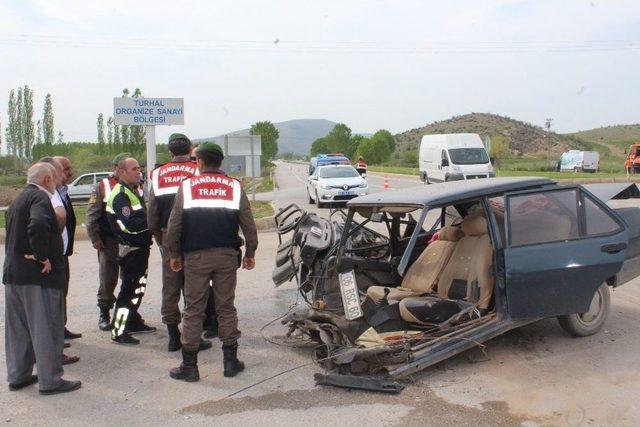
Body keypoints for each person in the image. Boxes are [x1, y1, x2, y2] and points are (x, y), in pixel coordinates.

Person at [166, 141, 258, 382]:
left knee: (194, 309)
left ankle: (190, 366)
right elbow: (248, 223)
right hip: (227, 256)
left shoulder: (188, 186)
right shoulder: (234, 186)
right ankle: (230, 362)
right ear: (221, 162)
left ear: (200, 162)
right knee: (226, 307)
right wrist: (251, 252)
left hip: (195, 258)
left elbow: (174, 225)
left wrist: (174, 254)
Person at [2, 162, 82, 395]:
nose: (59, 182)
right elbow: (37, 224)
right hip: (38, 278)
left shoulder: (17, 200)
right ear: (47, 180)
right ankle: (51, 380)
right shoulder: (40, 198)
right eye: (56, 178)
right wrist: (42, 255)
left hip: (14, 275)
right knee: (45, 327)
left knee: (19, 329)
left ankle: (19, 375)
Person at [148, 133, 213, 352]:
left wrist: (159, 236)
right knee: (195, 285)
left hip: (168, 236)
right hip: (196, 234)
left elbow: (152, 212)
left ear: (169, 152)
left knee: (171, 285)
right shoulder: (198, 170)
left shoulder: (157, 174)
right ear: (190, 150)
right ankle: (193, 334)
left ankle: (173, 336)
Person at [106, 156, 156, 345]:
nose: (139, 172)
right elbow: (131, 225)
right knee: (128, 290)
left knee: (138, 287)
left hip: (140, 249)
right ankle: (118, 331)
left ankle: (133, 321)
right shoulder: (120, 195)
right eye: (134, 169)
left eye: (139, 168)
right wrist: (154, 220)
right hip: (131, 250)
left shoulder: (132, 191)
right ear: (121, 172)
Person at [38, 157, 80, 365]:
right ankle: (52, 350)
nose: (67, 173)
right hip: (52, 257)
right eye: (64, 170)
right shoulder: (45, 197)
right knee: (51, 301)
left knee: (61, 294)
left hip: (62, 254)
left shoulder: (61, 192)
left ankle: (60, 331)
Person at [86, 153, 130, 330]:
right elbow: (92, 214)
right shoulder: (103, 186)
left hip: (130, 240)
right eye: (126, 168)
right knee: (108, 278)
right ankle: (104, 312)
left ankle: (128, 315)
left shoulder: (136, 185)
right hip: (109, 241)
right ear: (116, 169)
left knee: (131, 279)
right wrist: (95, 237)